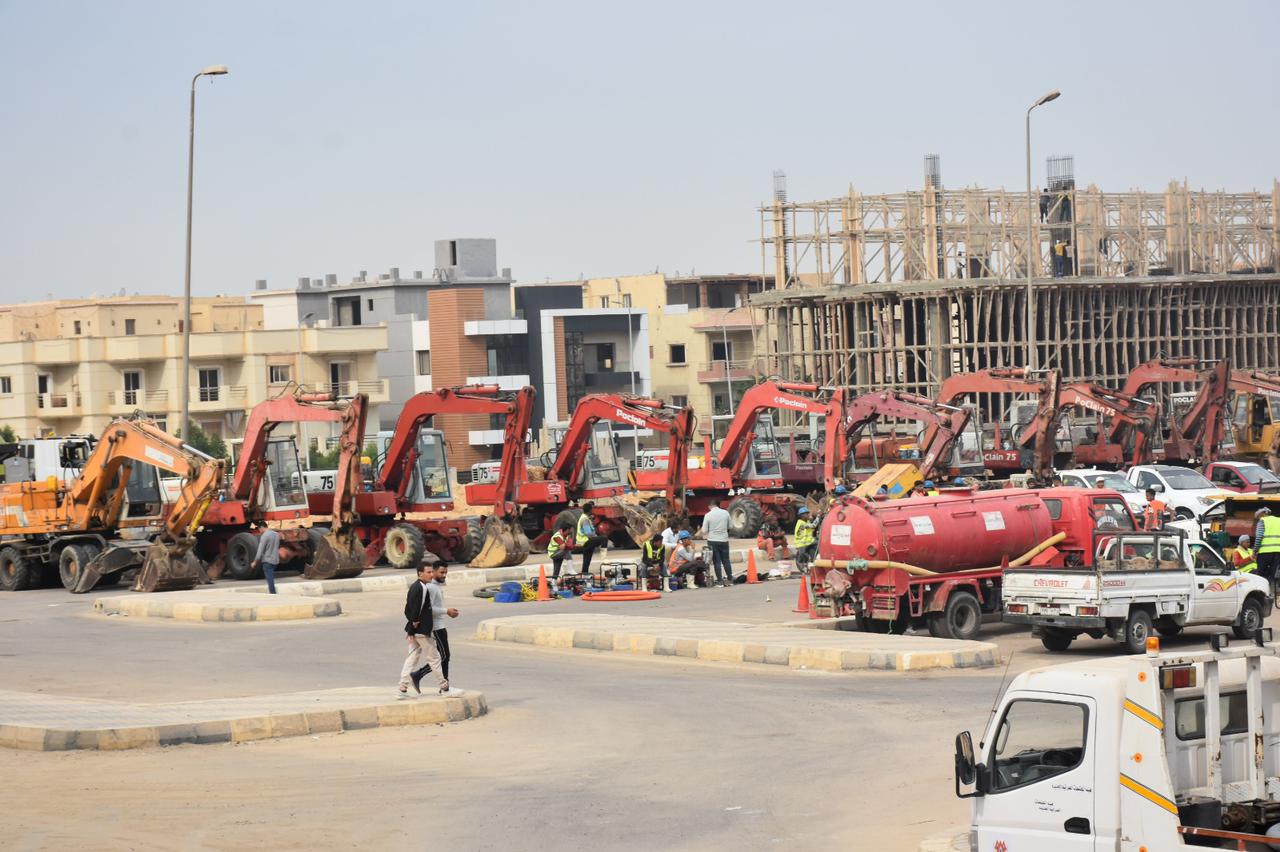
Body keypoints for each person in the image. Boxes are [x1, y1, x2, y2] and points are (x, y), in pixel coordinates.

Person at [399, 564, 447, 698]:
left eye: (432, 572)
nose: (432, 575)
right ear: (420, 573)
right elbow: (417, 609)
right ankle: (444, 687)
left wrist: (410, 629)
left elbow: (407, 608)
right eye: (429, 572)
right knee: (435, 657)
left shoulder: (415, 586)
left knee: (412, 657)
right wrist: (413, 624)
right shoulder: (422, 588)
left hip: (416, 630)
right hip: (421, 630)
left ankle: (402, 687)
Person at [412, 561, 459, 692]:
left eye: (446, 573)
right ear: (434, 571)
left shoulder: (436, 586)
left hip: (440, 625)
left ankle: (443, 685)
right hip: (436, 627)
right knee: (443, 656)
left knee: (445, 656)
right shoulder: (431, 587)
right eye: (441, 572)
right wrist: (446, 611)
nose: (444, 575)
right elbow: (428, 609)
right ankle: (422, 676)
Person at [699, 499, 734, 587]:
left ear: (711, 505)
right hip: (724, 540)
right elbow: (730, 526)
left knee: (717, 561)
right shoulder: (725, 513)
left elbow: (704, 530)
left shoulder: (708, 515)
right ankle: (730, 579)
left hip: (713, 541)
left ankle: (720, 581)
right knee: (726, 560)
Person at [575, 503, 609, 576]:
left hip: (583, 542)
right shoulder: (585, 519)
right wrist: (596, 537)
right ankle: (603, 559)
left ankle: (584, 574)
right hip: (586, 541)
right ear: (590, 510)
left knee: (587, 559)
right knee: (604, 538)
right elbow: (588, 534)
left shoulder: (584, 517)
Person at [1253, 508, 1280, 590]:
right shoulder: (1278, 520)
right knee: (1274, 573)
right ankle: (1273, 591)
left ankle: (1260, 590)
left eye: (1258, 516)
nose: (1258, 519)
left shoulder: (1262, 521)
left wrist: (1255, 550)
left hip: (1264, 552)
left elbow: (1259, 537)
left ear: (1263, 514)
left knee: (1260, 573)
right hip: (1278, 552)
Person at [251, 524, 281, 594]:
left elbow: (260, 550)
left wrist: (255, 562)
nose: (259, 531)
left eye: (259, 529)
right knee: (271, 577)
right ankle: (272, 592)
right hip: (275, 560)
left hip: (268, 561)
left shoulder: (264, 536)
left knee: (270, 579)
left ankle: (273, 593)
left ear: (261, 527)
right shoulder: (276, 534)